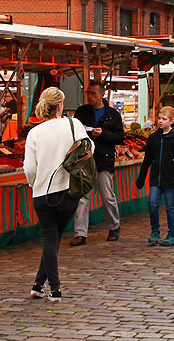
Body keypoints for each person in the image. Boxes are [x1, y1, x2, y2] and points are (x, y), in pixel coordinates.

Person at [23, 87, 90, 302]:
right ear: (60, 105)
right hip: (67, 190)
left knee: (51, 239)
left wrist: (34, 184)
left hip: (41, 193)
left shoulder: (34, 133)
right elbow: (89, 148)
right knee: (53, 239)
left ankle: (38, 285)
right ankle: (54, 288)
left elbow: (29, 168)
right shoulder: (73, 124)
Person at [70, 82, 124, 246]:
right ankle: (80, 233)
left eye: (93, 93)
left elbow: (119, 137)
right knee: (82, 197)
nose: (90, 96)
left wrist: (103, 133)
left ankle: (114, 226)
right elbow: (74, 133)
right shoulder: (81, 112)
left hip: (103, 159)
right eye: (88, 93)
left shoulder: (113, 115)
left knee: (107, 195)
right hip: (84, 159)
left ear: (102, 94)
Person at [136, 106, 174, 247]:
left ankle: (173, 234)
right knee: (152, 204)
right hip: (155, 178)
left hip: (171, 179)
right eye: (159, 118)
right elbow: (147, 159)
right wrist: (141, 177)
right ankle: (155, 231)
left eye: (164, 119)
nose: (160, 121)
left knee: (171, 207)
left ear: (172, 120)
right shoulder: (153, 138)